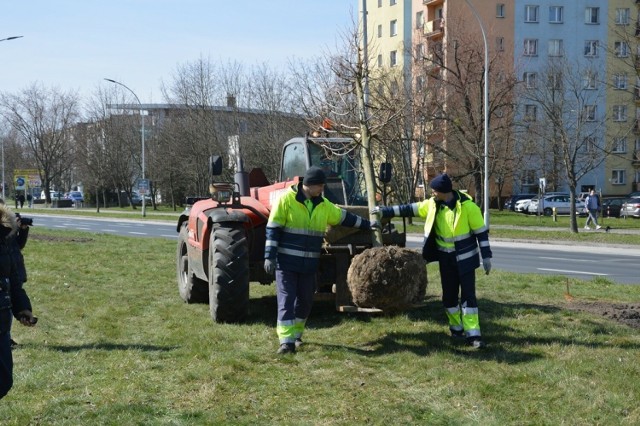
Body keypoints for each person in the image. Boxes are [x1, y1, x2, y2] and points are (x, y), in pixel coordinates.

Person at [264, 166, 377, 354]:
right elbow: (272, 230)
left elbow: (344, 218)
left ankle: (297, 335)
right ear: (310, 185)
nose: (322, 189)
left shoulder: (323, 205)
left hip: (308, 265)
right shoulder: (285, 201)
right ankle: (286, 342)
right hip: (286, 264)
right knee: (286, 300)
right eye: (320, 186)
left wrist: (367, 224)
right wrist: (269, 256)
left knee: (306, 300)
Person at [371, 173, 492, 349]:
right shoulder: (433, 205)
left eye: (434, 190)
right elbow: (409, 208)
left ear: (444, 191)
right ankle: (456, 330)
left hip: (465, 261)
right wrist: (385, 211)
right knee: (449, 297)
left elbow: (481, 233)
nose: (432, 193)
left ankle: (473, 335)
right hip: (446, 259)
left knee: (468, 298)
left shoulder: (468, 207)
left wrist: (486, 256)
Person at [0, 202, 36, 400]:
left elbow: (12, 281)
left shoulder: (4, 233)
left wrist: (23, 308)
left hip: (1, 325)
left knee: (4, 382)